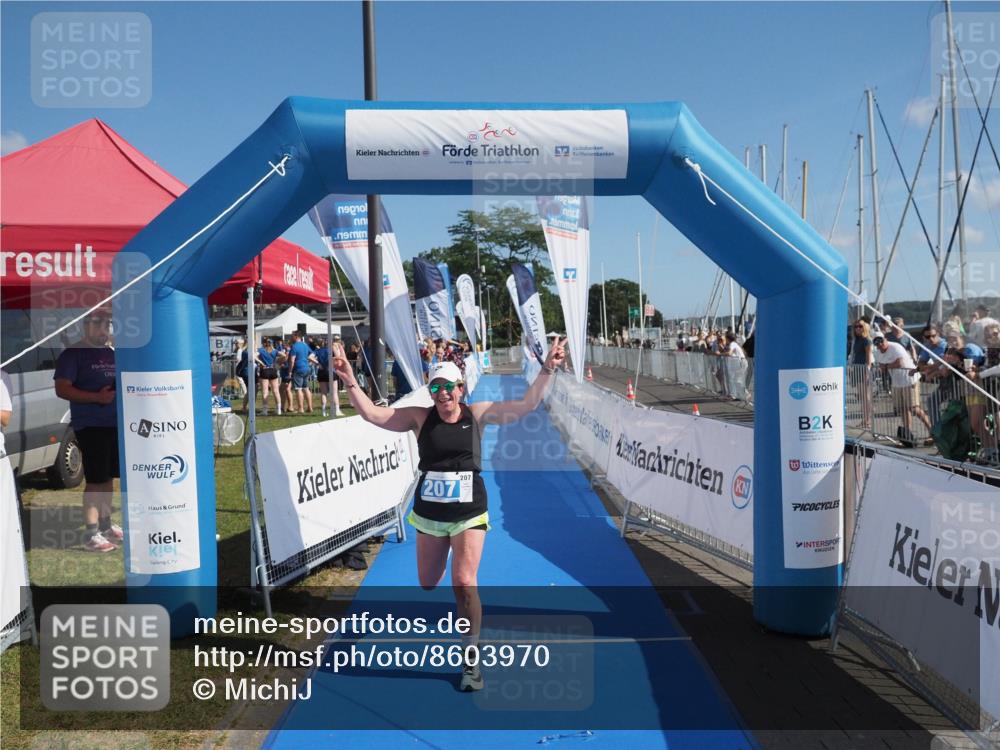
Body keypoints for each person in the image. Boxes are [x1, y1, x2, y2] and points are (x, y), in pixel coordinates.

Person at [331, 337, 568, 692]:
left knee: (464, 583)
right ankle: (447, 571)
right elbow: (373, 415)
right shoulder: (418, 418)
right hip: (429, 515)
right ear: (430, 392)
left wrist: (548, 368)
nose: (443, 394)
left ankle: (470, 661)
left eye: (449, 387)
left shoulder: (479, 413)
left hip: (469, 511)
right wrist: (349, 379)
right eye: (436, 387)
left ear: (461, 388)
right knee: (428, 581)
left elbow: (524, 406)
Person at [53, 312, 122, 552]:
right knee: (95, 479)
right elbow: (62, 389)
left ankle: (105, 525)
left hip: (115, 423)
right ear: (86, 326)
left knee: (109, 477)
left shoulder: (110, 353)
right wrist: (96, 397)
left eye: (107, 324)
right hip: (91, 424)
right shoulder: (72, 354)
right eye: (99, 324)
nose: (104, 329)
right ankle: (92, 534)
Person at [873, 334, 932, 444]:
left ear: (885, 340)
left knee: (914, 408)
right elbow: (882, 367)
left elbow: (900, 363)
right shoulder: (877, 353)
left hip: (909, 380)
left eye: (881, 341)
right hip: (897, 383)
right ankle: (907, 435)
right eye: (877, 343)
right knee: (903, 409)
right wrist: (887, 366)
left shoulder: (895, 347)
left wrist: (886, 366)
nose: (880, 344)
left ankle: (931, 431)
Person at [288, 332, 315, 414]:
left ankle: (301, 408)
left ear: (296, 336)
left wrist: (290, 371)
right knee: (306, 388)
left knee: (298, 389)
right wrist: (310, 362)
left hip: (298, 369)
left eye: (292, 336)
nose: (291, 337)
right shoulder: (305, 345)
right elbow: (313, 353)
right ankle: (310, 407)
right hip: (307, 368)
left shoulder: (294, 346)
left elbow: (292, 360)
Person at [257, 338, 282, 416]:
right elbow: (284, 355)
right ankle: (279, 410)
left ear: (264, 343)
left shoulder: (261, 350)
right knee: (276, 391)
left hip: (264, 370)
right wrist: (278, 361)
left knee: (265, 391)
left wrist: (261, 362)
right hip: (273, 370)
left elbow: (254, 356)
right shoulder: (275, 351)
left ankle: (265, 411)